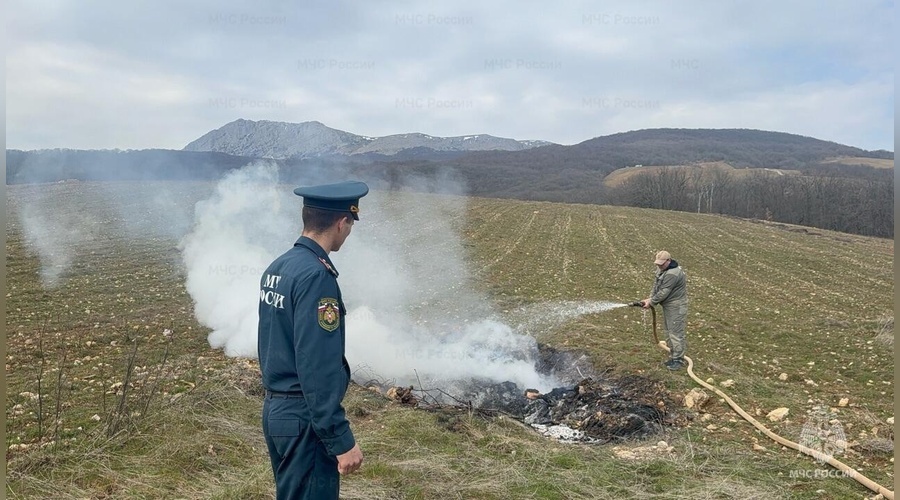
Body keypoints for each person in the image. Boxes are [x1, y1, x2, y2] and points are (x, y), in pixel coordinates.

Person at [257, 180, 369, 499]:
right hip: (304, 418)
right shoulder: (316, 277)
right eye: (350, 225)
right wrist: (340, 439)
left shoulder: (278, 267)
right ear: (341, 222)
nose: (348, 233)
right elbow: (317, 366)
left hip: (276, 412)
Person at [641, 250, 688, 371]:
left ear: (669, 261)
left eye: (662, 263)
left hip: (676, 306)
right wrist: (650, 298)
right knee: (668, 331)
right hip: (668, 305)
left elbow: (664, 292)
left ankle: (678, 360)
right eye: (658, 263)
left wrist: (651, 302)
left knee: (675, 333)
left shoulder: (673, 273)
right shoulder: (662, 269)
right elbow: (656, 286)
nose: (659, 266)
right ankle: (673, 355)